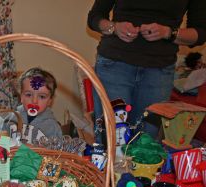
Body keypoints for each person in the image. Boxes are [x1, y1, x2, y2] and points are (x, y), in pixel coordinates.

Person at [87, 0, 206, 139]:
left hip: (159, 72)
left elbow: (200, 33)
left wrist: (169, 32)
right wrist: (114, 27)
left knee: (146, 145)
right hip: (114, 66)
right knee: (110, 141)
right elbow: (94, 17)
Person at [0, 67, 62, 144]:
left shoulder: (52, 127)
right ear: (21, 97)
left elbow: (56, 154)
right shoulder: (11, 118)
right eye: (28, 95)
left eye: (42, 96)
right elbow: (1, 144)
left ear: (49, 101)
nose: (34, 101)